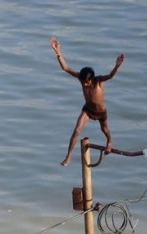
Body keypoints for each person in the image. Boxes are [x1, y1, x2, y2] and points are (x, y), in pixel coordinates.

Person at [50, 36, 124, 166]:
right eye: (82, 82)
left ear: (92, 79)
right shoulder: (81, 77)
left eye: (87, 82)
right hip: (88, 110)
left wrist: (117, 65)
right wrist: (58, 52)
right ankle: (68, 157)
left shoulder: (98, 81)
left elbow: (110, 76)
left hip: (101, 112)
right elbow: (66, 68)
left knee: (105, 129)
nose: (84, 85)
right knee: (77, 130)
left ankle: (110, 142)